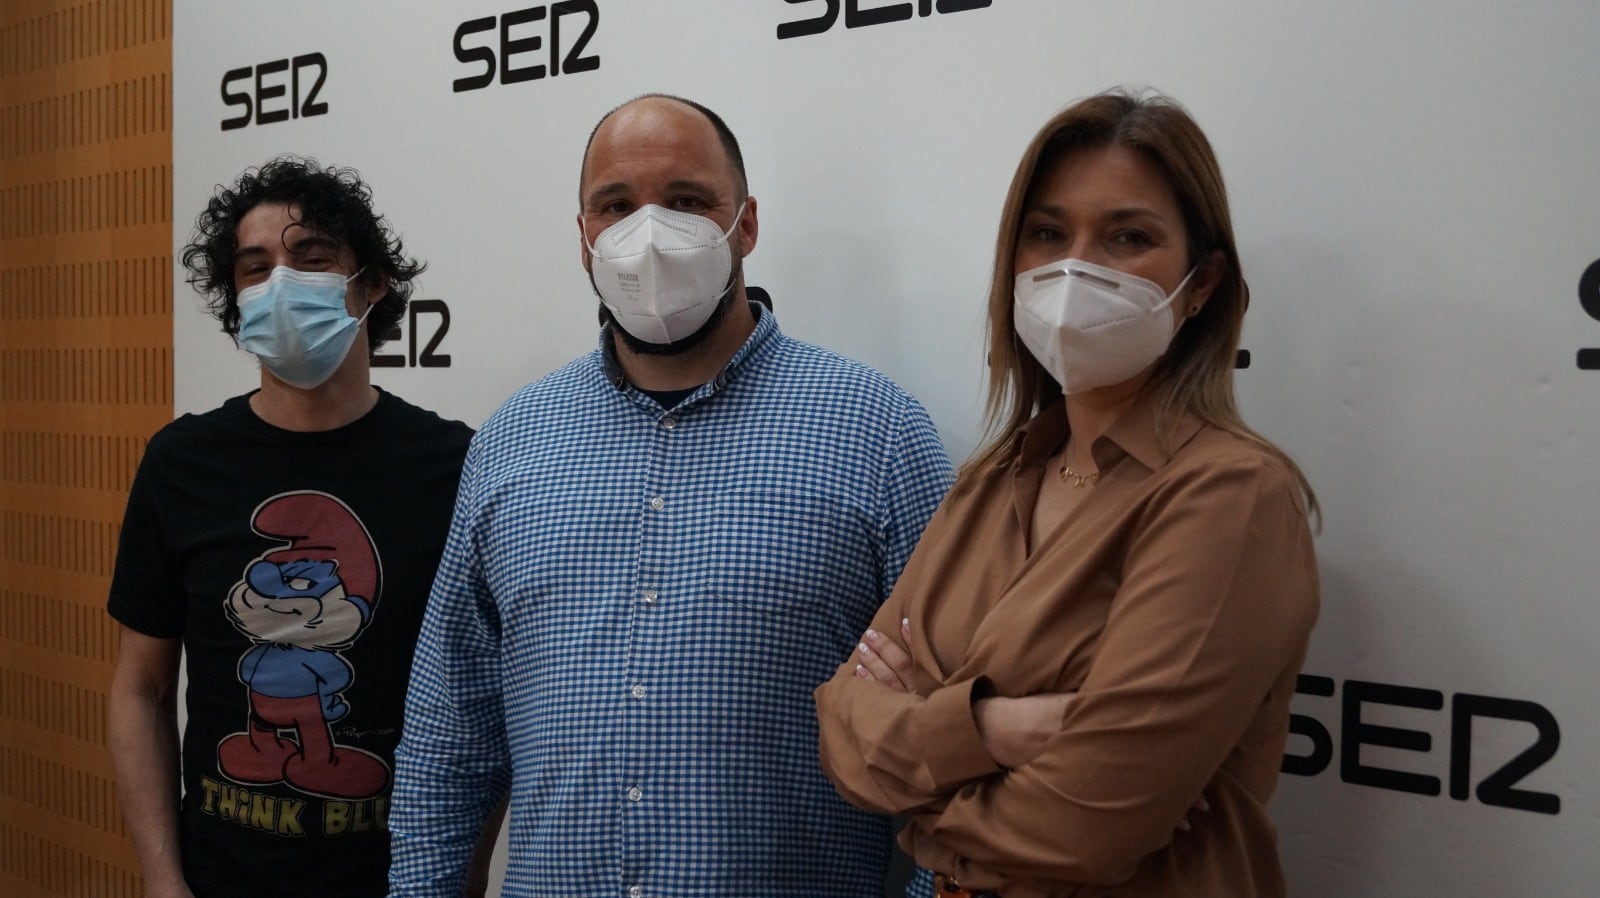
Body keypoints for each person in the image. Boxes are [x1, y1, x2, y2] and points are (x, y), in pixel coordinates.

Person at [386, 94, 954, 898]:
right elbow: (452, 733)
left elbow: (952, 735)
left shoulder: (879, 433)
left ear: (745, 225)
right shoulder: (510, 441)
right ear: (584, 239)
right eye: (616, 206)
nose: (648, 232)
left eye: (687, 201)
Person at [814, 89, 1321, 898]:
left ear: (1201, 284)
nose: (1078, 265)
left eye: (1129, 237)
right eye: (1048, 234)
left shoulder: (1231, 496)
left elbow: (1081, 830)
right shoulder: (992, 478)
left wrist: (920, 789)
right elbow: (843, 728)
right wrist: (993, 728)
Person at [106, 157, 485, 898]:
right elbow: (139, 690)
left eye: (311, 258)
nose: (280, 283)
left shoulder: (456, 465)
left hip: (401, 882)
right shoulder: (180, 463)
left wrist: (463, 877)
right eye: (255, 269)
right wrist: (160, 876)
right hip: (220, 878)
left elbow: (485, 705)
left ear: (371, 284)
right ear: (235, 301)